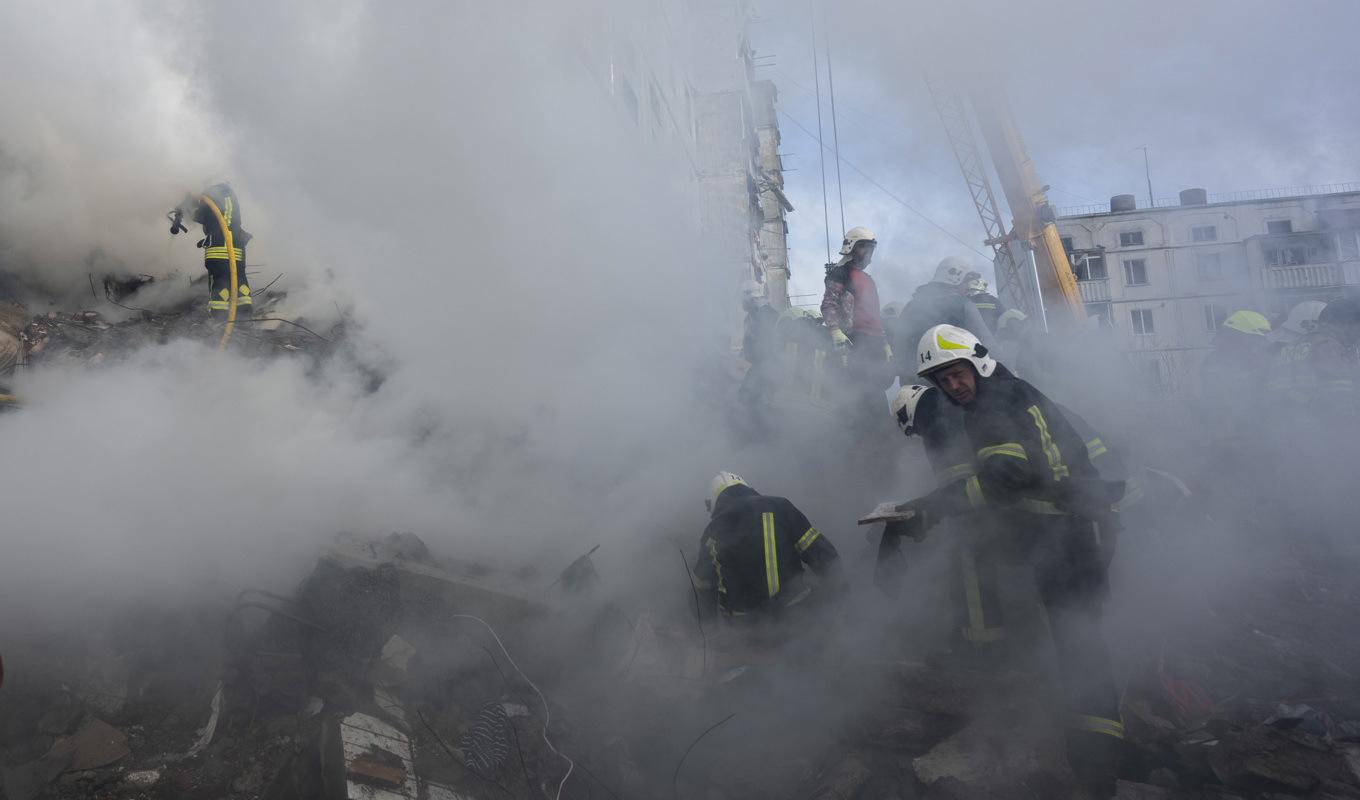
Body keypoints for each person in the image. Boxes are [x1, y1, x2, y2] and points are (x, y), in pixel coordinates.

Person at [894, 324, 1126, 796]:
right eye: (943, 380)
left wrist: (935, 506)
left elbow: (1005, 479)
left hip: (1066, 532)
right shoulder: (1011, 389)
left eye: (957, 373)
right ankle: (1097, 747)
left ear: (977, 361)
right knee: (1078, 637)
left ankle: (1098, 764)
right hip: (1067, 528)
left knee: (1078, 640)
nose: (953, 386)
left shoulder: (992, 404)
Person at [689, 472, 846, 635]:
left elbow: (702, 587)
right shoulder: (781, 508)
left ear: (715, 499)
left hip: (743, 629)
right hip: (794, 619)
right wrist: (839, 600)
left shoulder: (713, 530)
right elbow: (823, 554)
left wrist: (709, 632)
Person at [895, 257, 997, 384]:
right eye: (966, 282)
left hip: (915, 388)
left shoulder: (910, 308)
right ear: (955, 278)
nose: (967, 287)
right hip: (952, 388)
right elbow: (989, 346)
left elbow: (899, 348)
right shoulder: (963, 305)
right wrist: (1008, 379)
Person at [171, 183, 253, 321]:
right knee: (239, 281)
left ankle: (219, 319)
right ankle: (243, 317)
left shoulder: (211, 194)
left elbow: (199, 216)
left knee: (220, 281)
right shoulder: (228, 193)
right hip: (237, 245)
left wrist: (190, 204)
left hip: (219, 245)